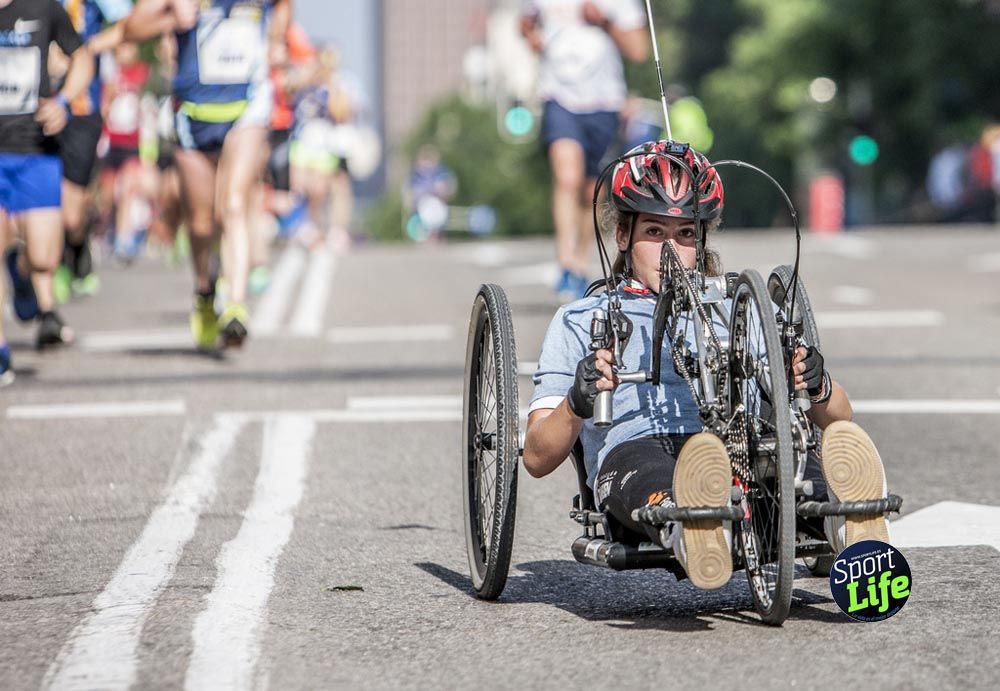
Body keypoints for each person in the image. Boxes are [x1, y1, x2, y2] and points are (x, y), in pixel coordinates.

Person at [523, 141, 891, 590]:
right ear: (623, 235)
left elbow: (841, 420)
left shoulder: (742, 308)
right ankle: (693, 528)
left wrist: (818, 385)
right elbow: (538, 457)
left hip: (746, 450)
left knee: (796, 471)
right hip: (637, 450)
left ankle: (846, 525)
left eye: (685, 235)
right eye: (655, 233)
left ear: (701, 240)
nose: (671, 251)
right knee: (664, 479)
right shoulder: (580, 320)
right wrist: (577, 402)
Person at [124, 0, 290, 349]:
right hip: (193, 114)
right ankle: (204, 291)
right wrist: (170, 16)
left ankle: (235, 307)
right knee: (200, 223)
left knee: (231, 206)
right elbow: (133, 28)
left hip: (247, 106)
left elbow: (285, 7)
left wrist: (276, 37)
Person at [520, 0, 649, 301]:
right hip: (559, 97)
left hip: (605, 103)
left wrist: (604, 21)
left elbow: (639, 50)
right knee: (567, 178)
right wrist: (531, 37)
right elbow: (524, 21)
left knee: (591, 189)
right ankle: (565, 263)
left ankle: (579, 262)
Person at [0, 0, 94, 374]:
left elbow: (82, 56)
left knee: (43, 258)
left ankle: (22, 273)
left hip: (35, 149)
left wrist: (64, 102)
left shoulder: (42, 7)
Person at [53, 0, 134, 299]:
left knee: (73, 212)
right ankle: (53, 265)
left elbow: (131, 22)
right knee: (45, 199)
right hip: (34, 109)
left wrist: (87, 48)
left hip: (82, 109)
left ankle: (78, 245)